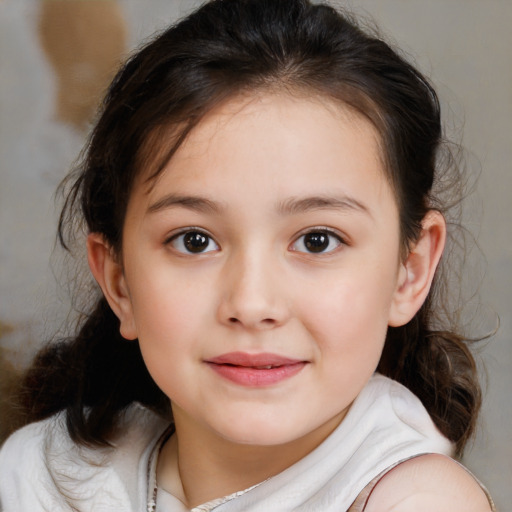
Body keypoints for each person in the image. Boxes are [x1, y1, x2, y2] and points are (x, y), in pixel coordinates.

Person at [0, 0, 496, 510]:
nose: (252, 303)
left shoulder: (414, 501)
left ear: (408, 273)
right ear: (119, 281)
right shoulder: (38, 475)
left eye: (317, 240)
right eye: (194, 240)